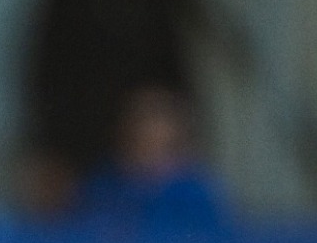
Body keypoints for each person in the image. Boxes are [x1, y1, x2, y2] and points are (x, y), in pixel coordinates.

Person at [21, 0, 200, 217]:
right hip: (80, 150)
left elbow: (173, 75)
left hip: (145, 152)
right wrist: (53, 152)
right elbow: (45, 80)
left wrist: (162, 131)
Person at [78, 85, 227, 232]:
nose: (146, 128)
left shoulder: (195, 192)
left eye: (157, 117)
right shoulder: (103, 185)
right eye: (140, 118)